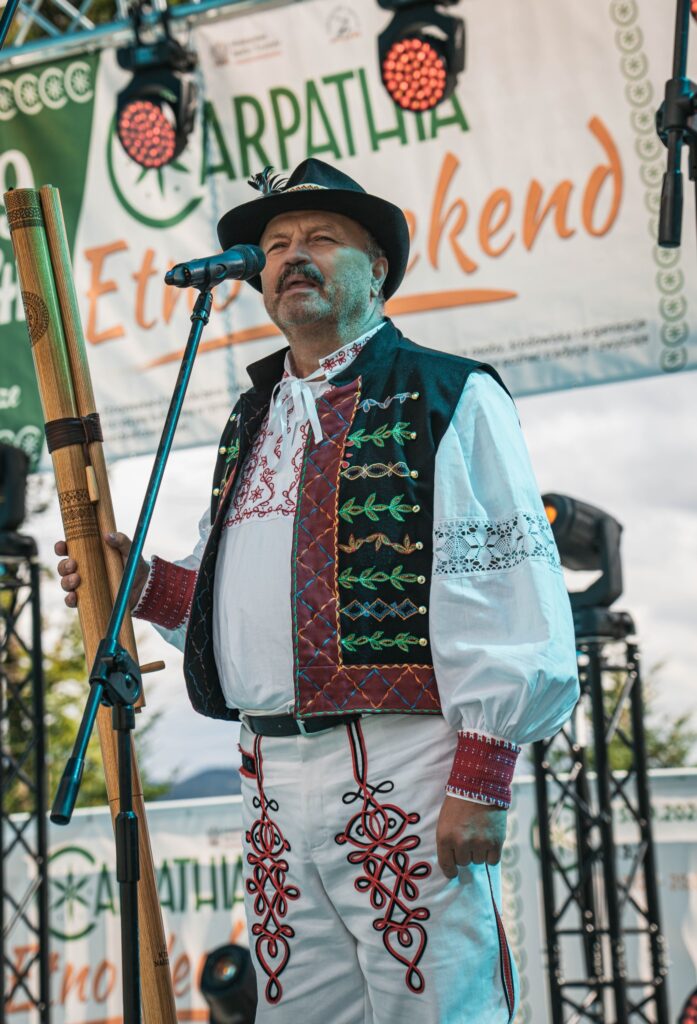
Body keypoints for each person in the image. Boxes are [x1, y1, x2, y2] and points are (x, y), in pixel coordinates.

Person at [56, 158, 579, 1024]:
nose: (291, 256)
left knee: (437, 1010)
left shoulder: (446, 392)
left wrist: (482, 771)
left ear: (377, 269)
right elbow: (230, 605)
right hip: (268, 770)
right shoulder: (250, 416)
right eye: (275, 245)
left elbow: (506, 586)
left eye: (321, 239)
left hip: (405, 762)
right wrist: (136, 586)